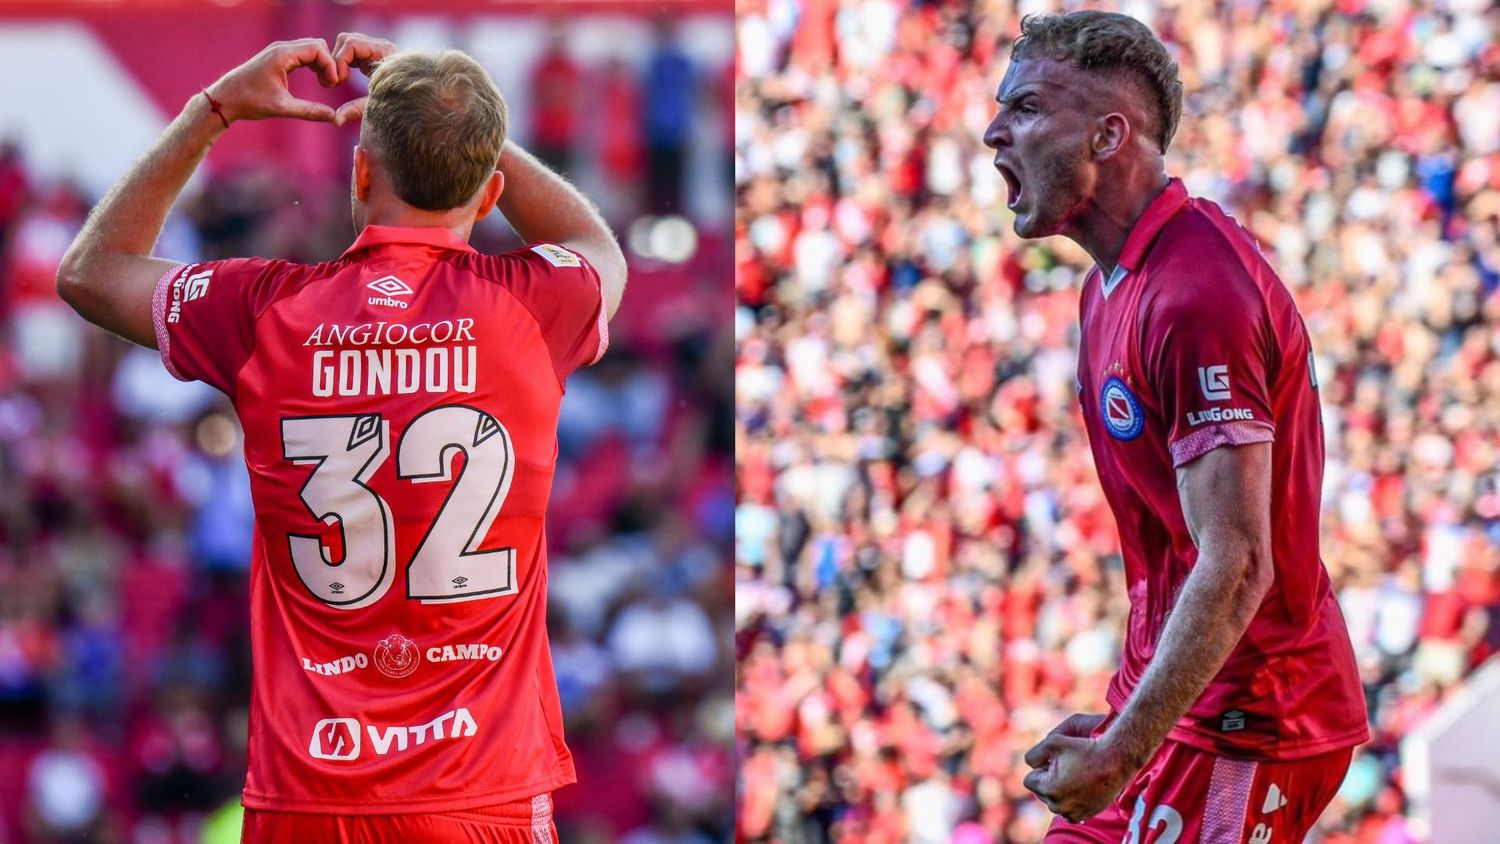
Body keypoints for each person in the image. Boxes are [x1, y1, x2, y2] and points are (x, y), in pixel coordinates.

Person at [56, 33, 626, 843]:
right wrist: (467, 134)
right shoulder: (535, 309)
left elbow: (90, 271)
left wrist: (210, 112)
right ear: (491, 190)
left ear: (361, 173)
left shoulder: (264, 314)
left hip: (309, 795)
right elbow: (601, 248)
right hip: (483, 790)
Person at [981, 12, 1368, 843]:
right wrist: (1131, 716)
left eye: (1026, 109)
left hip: (1254, 722)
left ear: (1108, 136)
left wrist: (1124, 750)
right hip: (1177, 707)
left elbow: (1237, 562)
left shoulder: (1197, 292)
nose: (993, 132)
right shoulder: (1109, 289)